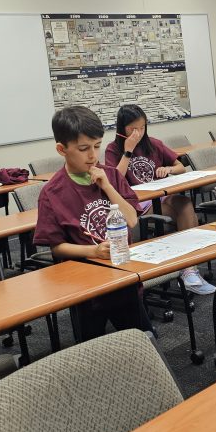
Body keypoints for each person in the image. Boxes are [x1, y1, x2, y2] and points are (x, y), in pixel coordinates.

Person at [33, 105, 152, 340]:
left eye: (97, 146)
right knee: (92, 352)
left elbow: (131, 219)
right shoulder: (52, 192)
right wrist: (93, 251)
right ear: (62, 149)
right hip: (85, 287)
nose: (93, 156)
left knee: (144, 340)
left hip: (122, 278)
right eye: (84, 149)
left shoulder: (112, 176)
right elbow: (56, 247)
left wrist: (107, 186)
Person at [105, 103, 215, 295]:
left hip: (159, 196)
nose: (138, 133)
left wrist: (169, 169)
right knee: (180, 207)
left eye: (142, 127)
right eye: (133, 129)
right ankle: (183, 268)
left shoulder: (153, 144)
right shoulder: (113, 149)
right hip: (135, 204)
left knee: (186, 204)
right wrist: (128, 151)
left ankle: (189, 270)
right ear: (122, 128)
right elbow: (115, 181)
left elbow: (180, 166)